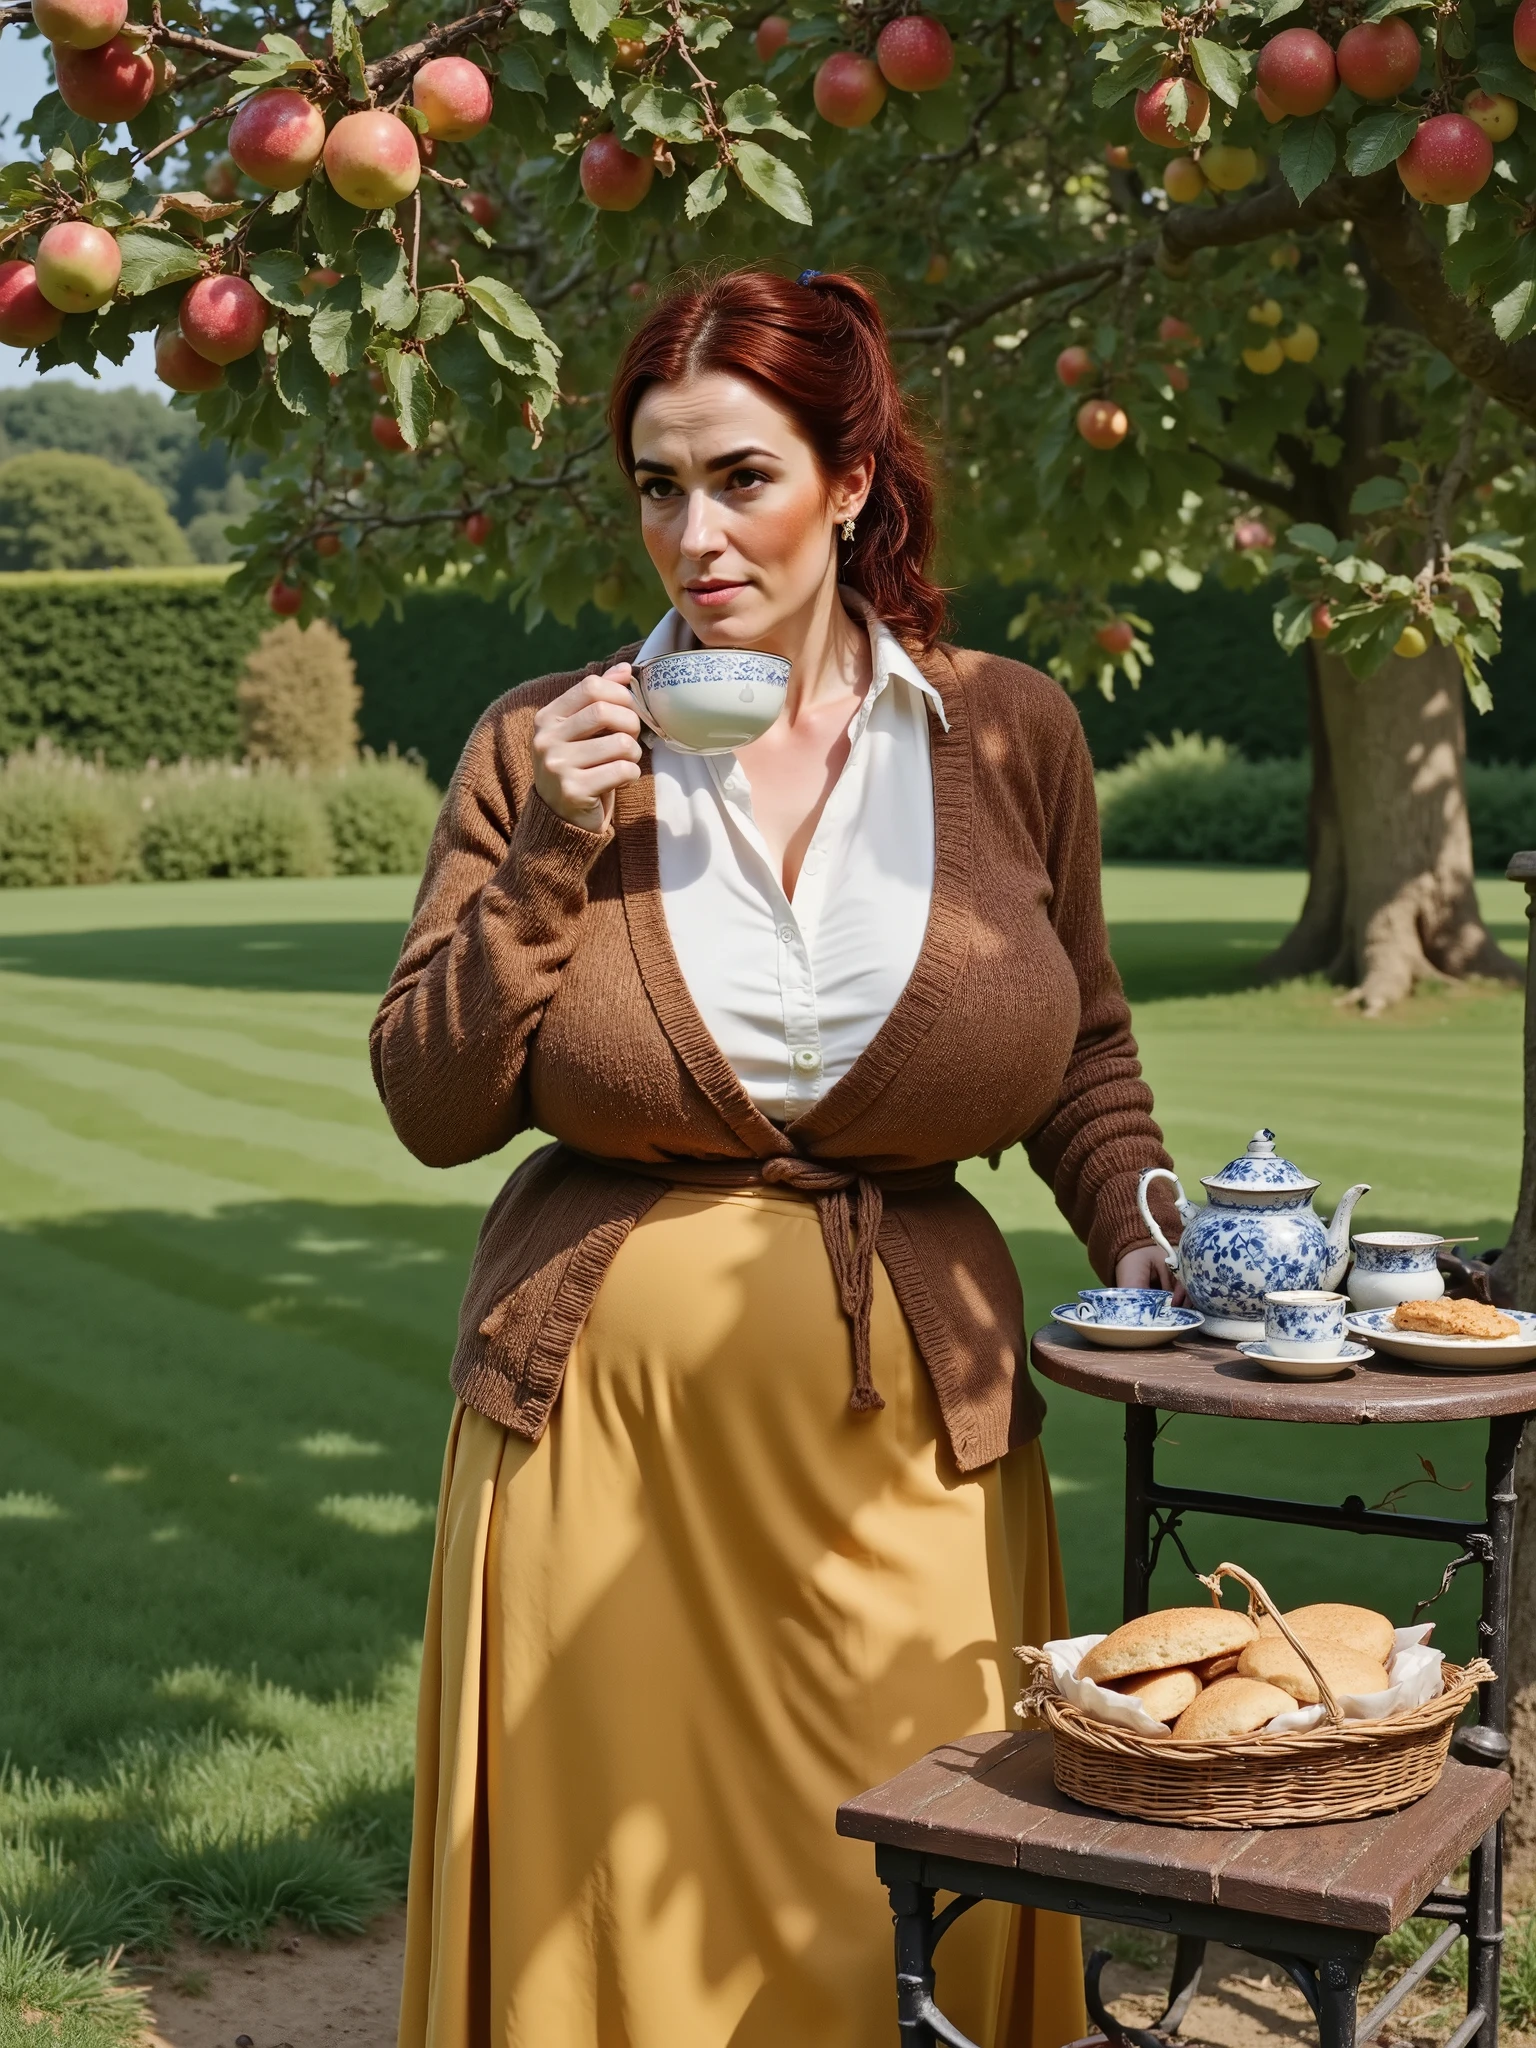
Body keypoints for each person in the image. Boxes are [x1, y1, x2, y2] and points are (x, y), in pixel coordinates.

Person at [375, 266, 1178, 2048]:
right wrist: (551, 849)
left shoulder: (1008, 731)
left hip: (918, 1449)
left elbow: (1084, 1052)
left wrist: (1147, 1228)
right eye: (658, 487)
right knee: (617, 1943)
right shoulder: (538, 742)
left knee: (909, 1895)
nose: (695, 535)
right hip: (604, 1459)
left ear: (851, 480)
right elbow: (431, 1102)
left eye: (742, 477)